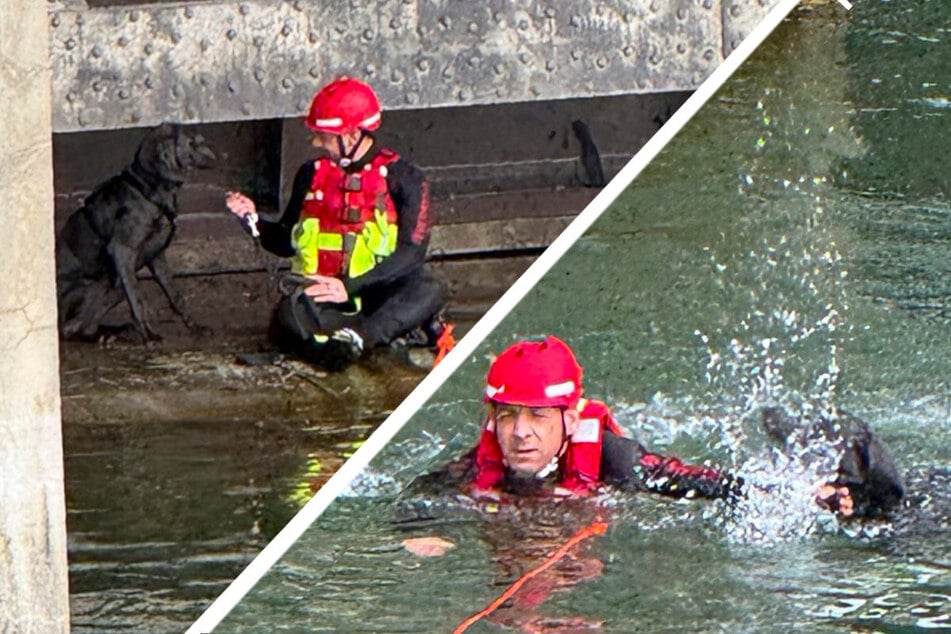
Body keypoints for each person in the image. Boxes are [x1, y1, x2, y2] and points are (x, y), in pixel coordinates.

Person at [462, 336, 904, 518]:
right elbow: (424, 494)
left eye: (537, 415)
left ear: (570, 419)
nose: (520, 432)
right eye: (508, 415)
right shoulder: (484, 460)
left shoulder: (616, 459)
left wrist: (794, 496)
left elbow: (701, 481)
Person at [226, 77, 447, 371]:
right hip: (326, 295)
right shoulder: (310, 173)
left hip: (377, 292)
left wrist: (351, 286)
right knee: (289, 312)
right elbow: (284, 240)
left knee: (427, 288)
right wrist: (252, 220)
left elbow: (412, 252)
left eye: (324, 135)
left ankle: (360, 339)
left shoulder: (406, 178)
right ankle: (342, 346)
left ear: (352, 135)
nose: (316, 143)